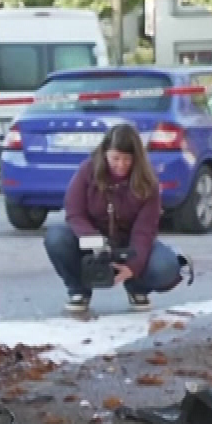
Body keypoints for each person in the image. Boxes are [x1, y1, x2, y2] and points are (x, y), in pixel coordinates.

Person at [44, 123, 185, 314]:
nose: (121, 164)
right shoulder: (88, 171)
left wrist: (133, 267)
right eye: (115, 158)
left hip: (129, 244)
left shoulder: (148, 182)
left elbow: (145, 229)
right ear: (105, 154)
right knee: (56, 237)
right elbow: (74, 212)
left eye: (127, 159)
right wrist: (93, 239)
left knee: (166, 266)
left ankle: (137, 288)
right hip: (92, 241)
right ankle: (78, 290)